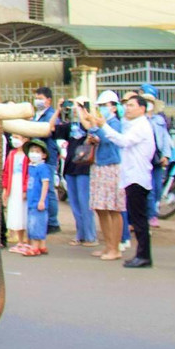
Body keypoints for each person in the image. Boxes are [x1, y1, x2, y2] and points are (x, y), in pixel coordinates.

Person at [91, 94, 155, 268]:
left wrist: (103, 125)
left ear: (142, 108)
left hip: (137, 176)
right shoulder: (132, 124)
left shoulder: (141, 125)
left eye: (132, 105)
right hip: (130, 176)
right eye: (127, 105)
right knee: (136, 218)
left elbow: (123, 141)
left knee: (139, 219)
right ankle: (141, 254)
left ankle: (144, 255)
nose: (128, 108)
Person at [81, 91, 125, 261]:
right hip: (98, 165)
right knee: (101, 208)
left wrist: (96, 127)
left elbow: (109, 140)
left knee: (113, 208)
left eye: (104, 106)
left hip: (111, 166)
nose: (101, 109)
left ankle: (115, 247)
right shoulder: (102, 123)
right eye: (99, 106)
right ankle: (108, 245)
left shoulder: (115, 123)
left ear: (113, 107)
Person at [53, 98, 97, 246]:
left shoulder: (91, 122)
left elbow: (90, 127)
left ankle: (90, 235)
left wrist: (81, 110)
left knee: (85, 203)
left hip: (84, 167)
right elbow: (53, 129)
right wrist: (59, 110)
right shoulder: (70, 125)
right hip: (71, 166)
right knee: (75, 203)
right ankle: (80, 233)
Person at [30, 87, 61, 233]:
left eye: (40, 97)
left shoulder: (51, 114)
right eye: (36, 97)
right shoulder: (36, 114)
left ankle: (53, 222)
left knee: (48, 189)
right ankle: (44, 218)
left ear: (48, 100)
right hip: (36, 156)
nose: (37, 100)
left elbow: (49, 131)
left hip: (47, 155)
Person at [140, 84, 171, 227]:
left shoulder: (159, 120)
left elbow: (165, 138)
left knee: (158, 187)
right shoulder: (139, 120)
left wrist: (166, 155)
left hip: (157, 156)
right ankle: (151, 215)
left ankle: (152, 210)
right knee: (149, 188)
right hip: (144, 156)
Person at [23, 140, 54, 257]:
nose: (33, 154)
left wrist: (42, 200)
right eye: (32, 151)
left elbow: (45, 184)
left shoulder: (43, 167)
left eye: (37, 151)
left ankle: (35, 247)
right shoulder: (32, 167)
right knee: (33, 223)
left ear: (44, 155)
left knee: (36, 224)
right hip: (31, 200)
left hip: (38, 201)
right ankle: (42, 245)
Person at [2, 134, 30, 251]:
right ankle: (19, 240)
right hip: (12, 185)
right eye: (13, 137)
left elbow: (28, 173)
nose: (14, 140)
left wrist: (25, 189)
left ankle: (26, 240)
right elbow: (6, 172)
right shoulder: (12, 154)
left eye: (17, 137)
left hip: (22, 184)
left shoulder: (27, 155)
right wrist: (5, 189)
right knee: (15, 211)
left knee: (24, 212)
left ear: (25, 139)